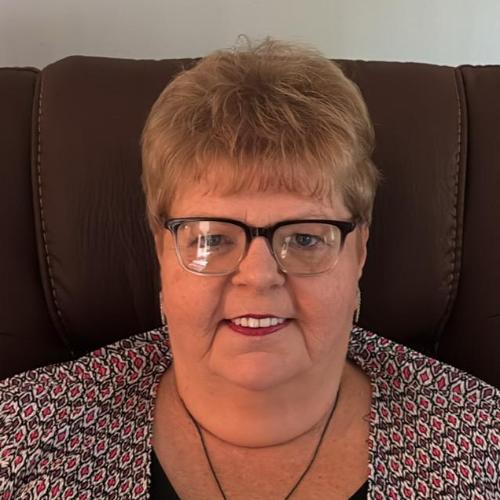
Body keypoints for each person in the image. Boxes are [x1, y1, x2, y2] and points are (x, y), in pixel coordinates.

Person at [0, 40, 498, 500]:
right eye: (213, 238)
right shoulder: (21, 437)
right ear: (162, 251)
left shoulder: (482, 448)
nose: (258, 277)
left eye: (304, 238)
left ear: (359, 251)